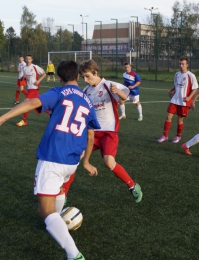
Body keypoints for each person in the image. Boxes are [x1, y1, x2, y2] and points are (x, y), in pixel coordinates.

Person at [0, 60, 101, 260]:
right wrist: (86, 161)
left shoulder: (58, 92)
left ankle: (73, 253)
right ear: (78, 77)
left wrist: (3, 118)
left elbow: (32, 102)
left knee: (43, 210)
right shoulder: (87, 100)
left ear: (60, 78)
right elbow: (91, 136)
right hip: (72, 161)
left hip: (53, 157)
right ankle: (56, 219)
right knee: (60, 190)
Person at [79, 59, 143, 203]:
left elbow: (124, 97)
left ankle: (132, 186)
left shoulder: (108, 85)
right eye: (83, 77)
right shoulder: (85, 91)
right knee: (75, 157)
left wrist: (118, 92)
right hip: (92, 133)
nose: (85, 80)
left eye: (88, 76)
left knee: (109, 162)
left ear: (96, 73)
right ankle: (62, 193)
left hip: (109, 132)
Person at [157, 56, 199, 143]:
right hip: (175, 99)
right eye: (180, 63)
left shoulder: (191, 76)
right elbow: (176, 85)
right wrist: (170, 90)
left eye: (183, 64)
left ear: (187, 65)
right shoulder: (177, 74)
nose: (181, 65)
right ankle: (165, 136)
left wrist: (189, 98)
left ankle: (178, 136)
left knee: (180, 119)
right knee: (168, 116)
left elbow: (195, 88)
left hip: (184, 101)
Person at [16, 54, 46, 127]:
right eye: (27, 59)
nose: (28, 60)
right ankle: (52, 113)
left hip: (34, 88)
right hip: (29, 89)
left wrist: (38, 81)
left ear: (31, 60)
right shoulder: (24, 68)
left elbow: (44, 74)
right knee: (39, 105)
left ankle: (24, 120)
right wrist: (23, 77)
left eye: (29, 59)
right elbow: (21, 79)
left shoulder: (35, 67)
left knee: (26, 103)